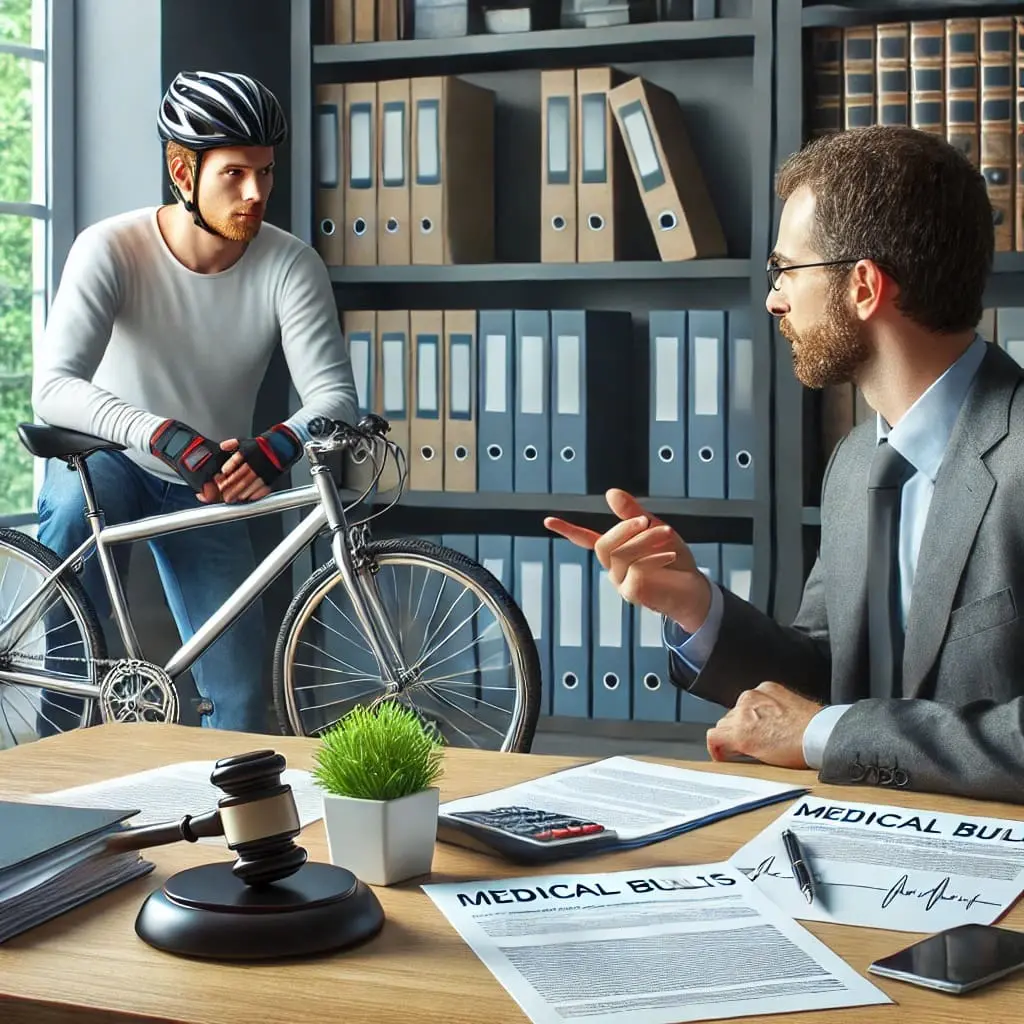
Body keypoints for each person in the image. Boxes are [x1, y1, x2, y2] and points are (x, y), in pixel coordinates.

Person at [546, 124, 1024, 804]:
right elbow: (829, 677)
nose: (773, 299)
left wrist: (825, 737)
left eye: (785, 271)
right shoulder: (858, 463)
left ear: (862, 286)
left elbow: (826, 723)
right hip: (856, 849)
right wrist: (695, 604)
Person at [30, 70, 357, 735]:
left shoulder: (290, 265)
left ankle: (213, 829)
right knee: (69, 539)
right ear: (183, 172)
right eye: (235, 174)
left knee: (236, 702)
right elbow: (54, 386)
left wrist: (278, 447)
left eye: (265, 173)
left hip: (207, 481)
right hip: (112, 459)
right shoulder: (111, 248)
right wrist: (160, 435)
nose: (257, 193)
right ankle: (56, 757)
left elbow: (335, 397)